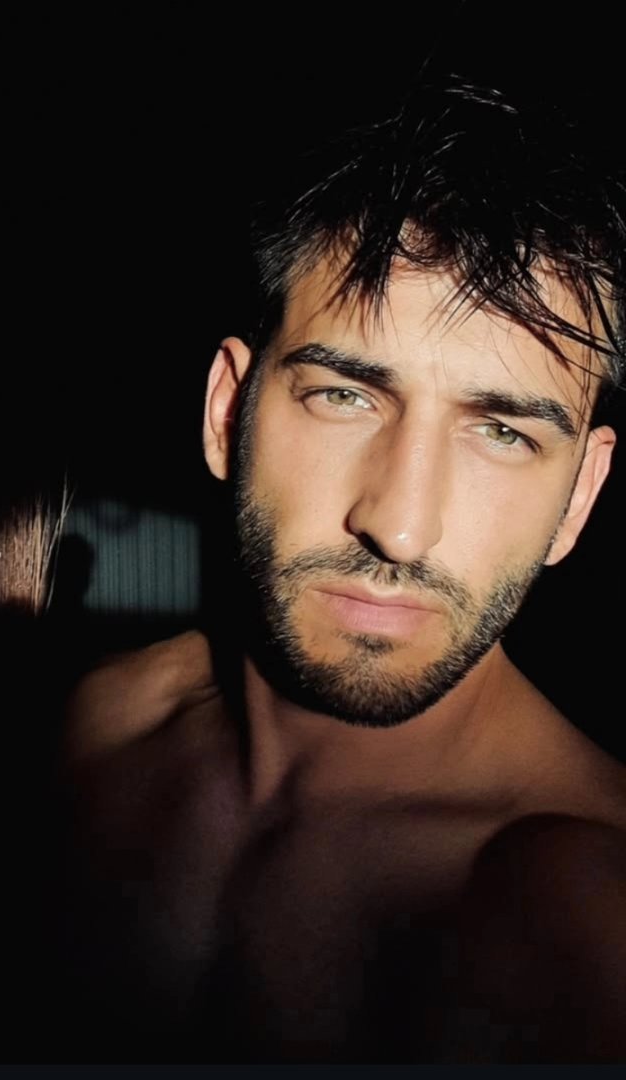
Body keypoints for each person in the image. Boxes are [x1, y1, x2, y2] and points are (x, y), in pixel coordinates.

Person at [56, 80, 626, 1062]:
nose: (398, 526)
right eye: (343, 396)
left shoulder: (589, 931)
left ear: (579, 497)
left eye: (502, 432)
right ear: (227, 413)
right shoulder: (96, 733)